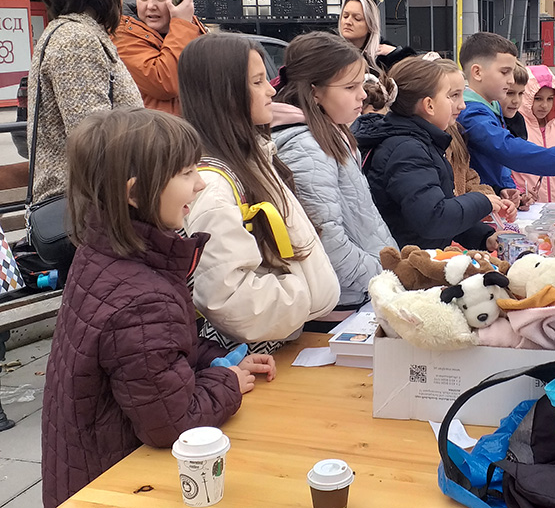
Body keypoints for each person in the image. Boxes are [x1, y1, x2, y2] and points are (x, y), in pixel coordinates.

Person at [41, 108, 276, 508]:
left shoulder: (105, 252)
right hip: (118, 484)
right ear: (134, 193)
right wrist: (228, 383)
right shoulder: (142, 297)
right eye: (185, 173)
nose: (200, 184)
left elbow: (157, 351)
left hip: (83, 470)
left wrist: (220, 359)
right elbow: (172, 423)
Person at [178, 35, 340, 354]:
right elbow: (228, 298)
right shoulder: (212, 185)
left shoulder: (251, 157)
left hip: (277, 344)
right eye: (257, 81)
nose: (271, 89)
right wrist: (306, 289)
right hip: (252, 358)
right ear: (224, 94)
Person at [271, 31, 396, 317]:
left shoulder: (329, 131)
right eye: (350, 87)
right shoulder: (305, 145)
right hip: (347, 299)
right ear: (315, 91)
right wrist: (381, 274)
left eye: (361, 84)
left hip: (362, 289)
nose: (363, 95)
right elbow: (325, 237)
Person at [29, 0, 143, 205]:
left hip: (88, 203)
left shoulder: (70, 32)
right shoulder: (76, 39)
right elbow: (94, 137)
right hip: (91, 209)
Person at [354, 56, 498, 250]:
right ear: (429, 105)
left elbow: (434, 211)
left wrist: (484, 237)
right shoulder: (407, 150)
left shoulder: (419, 142)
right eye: (449, 96)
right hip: (406, 264)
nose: (461, 105)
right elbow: (433, 219)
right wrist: (483, 201)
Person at [456, 32, 555, 200]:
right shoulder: (471, 113)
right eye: (505, 72)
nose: (511, 80)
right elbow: (507, 150)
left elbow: (500, 164)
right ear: (477, 72)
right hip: (479, 207)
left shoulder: (492, 107)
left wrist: (506, 189)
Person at [113, 0, 207, 115]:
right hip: (156, 134)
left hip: (195, 131)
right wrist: (182, 23)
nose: (150, 5)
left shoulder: (192, 29)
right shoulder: (122, 35)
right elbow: (164, 82)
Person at [434, 58, 516, 221]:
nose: (462, 105)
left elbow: (468, 181)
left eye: (461, 95)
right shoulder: (418, 146)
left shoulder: (455, 134)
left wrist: (492, 201)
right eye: (453, 96)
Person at [511, 65, 555, 203]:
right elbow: (507, 169)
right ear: (527, 97)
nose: (544, 105)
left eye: (550, 99)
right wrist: (519, 192)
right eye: (538, 99)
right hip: (529, 206)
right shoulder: (516, 126)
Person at [338, 0, 415, 72]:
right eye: (345, 16)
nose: (348, 22)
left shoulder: (383, 56)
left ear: (370, 24)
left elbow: (418, 71)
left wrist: (397, 53)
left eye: (357, 19)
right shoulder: (330, 52)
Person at [500, 61, 529, 140]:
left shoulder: (518, 119)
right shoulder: (489, 119)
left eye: (520, 93)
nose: (516, 100)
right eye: (510, 93)